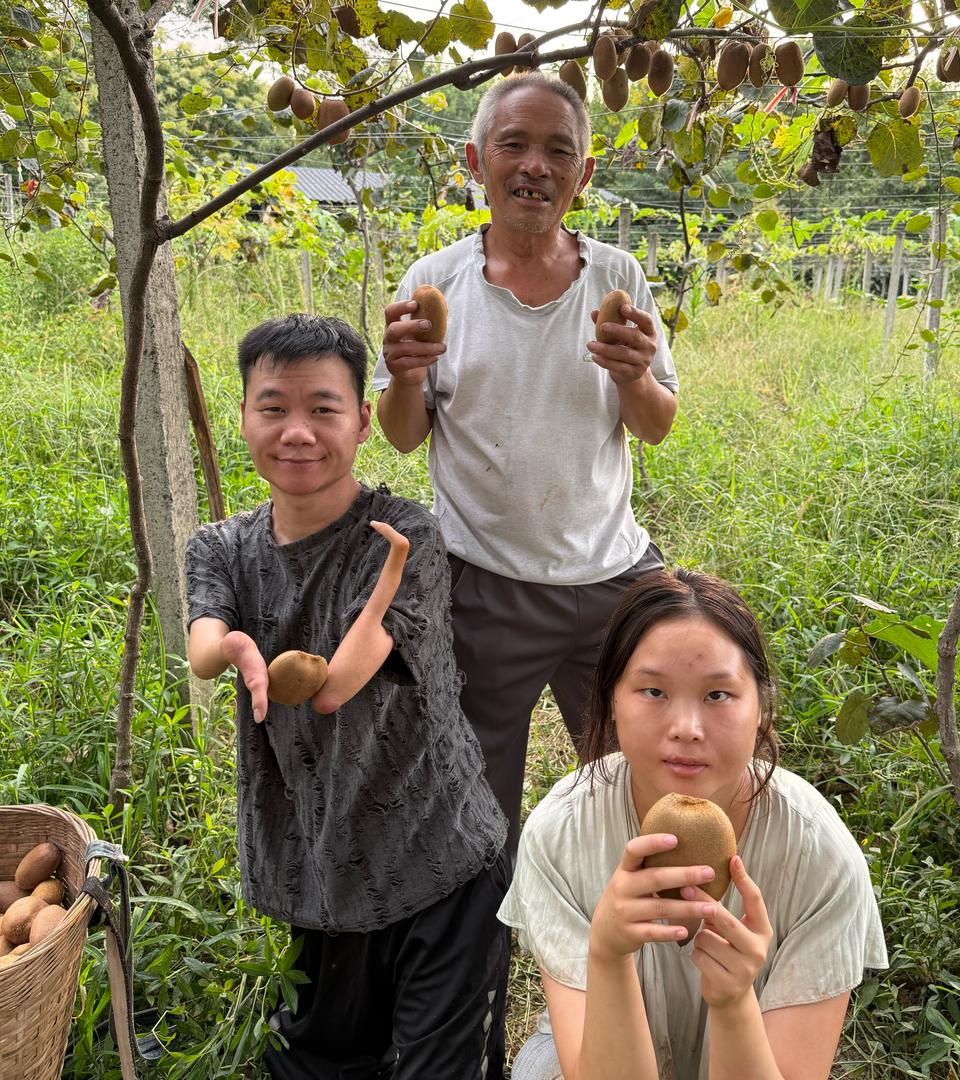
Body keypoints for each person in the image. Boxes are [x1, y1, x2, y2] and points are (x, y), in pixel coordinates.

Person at [184, 314, 510, 1079]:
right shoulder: (220, 547)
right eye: (273, 407)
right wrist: (233, 647)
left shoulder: (406, 534)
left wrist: (390, 571)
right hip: (320, 874)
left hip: (443, 863)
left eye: (323, 409)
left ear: (363, 421)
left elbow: (334, 687)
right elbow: (203, 645)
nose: (297, 431)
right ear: (243, 417)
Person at [375, 72, 679, 848]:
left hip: (613, 578)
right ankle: (488, 925)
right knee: (478, 810)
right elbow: (403, 435)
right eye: (513, 145)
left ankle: (625, 918)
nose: (535, 166)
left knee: (642, 786)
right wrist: (404, 377)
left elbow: (655, 425)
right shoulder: (435, 282)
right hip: (484, 583)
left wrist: (634, 376)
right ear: (476, 162)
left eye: (558, 151)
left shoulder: (617, 278)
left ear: (585, 173)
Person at [499, 569, 888, 1080]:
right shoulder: (561, 833)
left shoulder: (820, 855)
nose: (686, 729)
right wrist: (609, 955)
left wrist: (734, 1002)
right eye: (653, 691)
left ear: (762, 707)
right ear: (612, 699)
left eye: (717, 695)